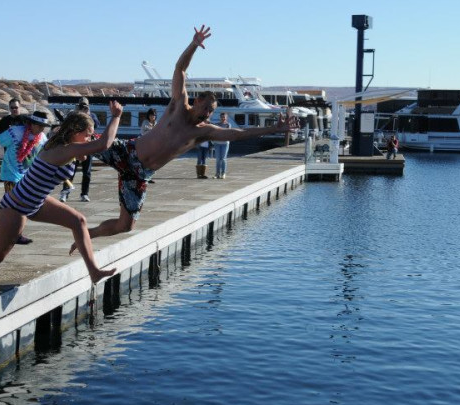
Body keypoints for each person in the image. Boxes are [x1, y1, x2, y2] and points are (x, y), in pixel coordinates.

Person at [72, 25, 297, 251]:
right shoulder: (178, 105)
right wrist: (194, 45)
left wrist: (271, 130)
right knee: (87, 140)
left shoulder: (203, 131)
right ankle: (56, 149)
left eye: (212, 111)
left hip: (141, 174)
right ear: (197, 100)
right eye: (207, 107)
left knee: (126, 225)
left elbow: (238, 134)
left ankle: (89, 234)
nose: (208, 113)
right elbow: (180, 68)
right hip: (128, 152)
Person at [0, 101, 123, 320]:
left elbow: (86, 148)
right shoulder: (64, 148)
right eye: (88, 134)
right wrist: (115, 116)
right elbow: (103, 145)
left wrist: (85, 146)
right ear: (76, 132)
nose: (90, 138)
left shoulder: (60, 143)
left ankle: (93, 271)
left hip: (36, 201)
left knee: (78, 221)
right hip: (17, 206)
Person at [0, 110, 52, 244]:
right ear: (31, 124)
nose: (41, 129)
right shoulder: (16, 132)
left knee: (7, 204)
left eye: (43, 127)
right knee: (18, 203)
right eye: (38, 125)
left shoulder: (42, 138)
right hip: (11, 174)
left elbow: (45, 153)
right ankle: (17, 234)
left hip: (28, 176)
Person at [74, 97, 101, 202]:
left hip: (88, 145)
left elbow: (97, 125)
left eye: (85, 106)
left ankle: (84, 194)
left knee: (87, 171)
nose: (83, 107)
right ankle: (65, 192)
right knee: (72, 170)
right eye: (81, 105)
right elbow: (68, 124)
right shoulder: (74, 114)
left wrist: (88, 114)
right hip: (75, 145)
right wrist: (77, 114)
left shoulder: (92, 115)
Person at [213, 112, 231, 179]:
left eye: (224, 117)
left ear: (226, 118)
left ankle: (223, 173)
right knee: (218, 159)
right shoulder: (217, 124)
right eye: (222, 117)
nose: (223, 118)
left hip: (225, 144)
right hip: (217, 143)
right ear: (220, 118)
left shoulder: (228, 125)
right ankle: (217, 173)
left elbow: (228, 134)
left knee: (223, 159)